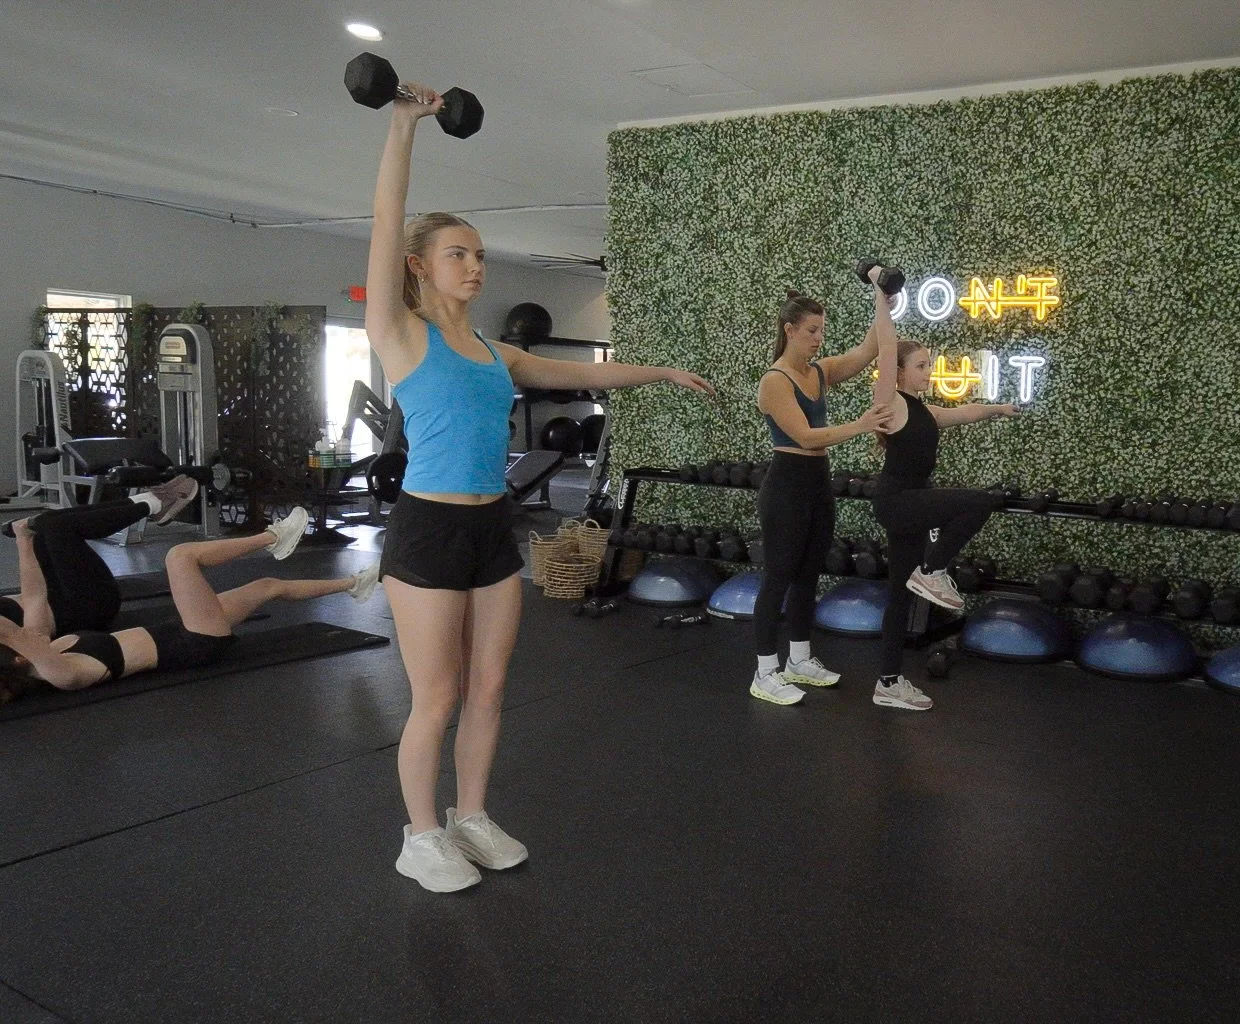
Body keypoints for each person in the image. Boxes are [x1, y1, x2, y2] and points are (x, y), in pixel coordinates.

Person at [362, 79, 715, 893]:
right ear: (421, 266)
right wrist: (404, 126)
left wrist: (660, 369)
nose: (477, 265)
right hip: (426, 532)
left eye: (480, 254)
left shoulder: (495, 353)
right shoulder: (399, 333)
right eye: (461, 253)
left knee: (489, 688)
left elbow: (583, 371)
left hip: (493, 530)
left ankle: (472, 817)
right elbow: (385, 223)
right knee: (438, 695)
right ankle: (419, 836)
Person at [0, 505, 379, 693]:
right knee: (179, 556)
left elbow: (35, 593)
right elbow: (18, 639)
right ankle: (272, 539)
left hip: (180, 629)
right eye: (13, 636)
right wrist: (12, 636)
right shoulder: (59, 672)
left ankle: (352, 584)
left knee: (268, 586)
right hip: (194, 641)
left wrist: (24, 540)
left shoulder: (40, 641)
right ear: (17, 655)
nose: (18, 629)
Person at [866, 266, 1016, 710]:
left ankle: (888, 683)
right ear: (898, 372)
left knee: (897, 596)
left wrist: (999, 408)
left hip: (910, 502)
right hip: (897, 500)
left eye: (929, 364)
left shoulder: (925, 411)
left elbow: (965, 412)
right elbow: (887, 345)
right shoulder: (889, 404)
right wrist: (880, 293)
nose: (929, 371)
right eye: (921, 366)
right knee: (979, 502)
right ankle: (932, 570)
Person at [749, 289, 892, 706]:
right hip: (787, 487)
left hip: (817, 485)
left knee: (809, 575)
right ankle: (764, 672)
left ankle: (798, 659)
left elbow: (868, 349)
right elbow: (808, 437)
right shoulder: (775, 381)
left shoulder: (819, 371)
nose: (818, 339)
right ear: (789, 330)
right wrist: (863, 425)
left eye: (822, 331)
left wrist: (883, 301)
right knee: (778, 578)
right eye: (811, 331)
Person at [0, 475, 201, 638]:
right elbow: (36, 630)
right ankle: (154, 503)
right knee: (54, 527)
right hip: (87, 607)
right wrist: (23, 542)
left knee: (42, 522)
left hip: (57, 592)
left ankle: (145, 501)